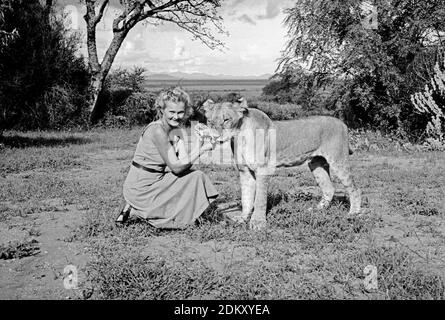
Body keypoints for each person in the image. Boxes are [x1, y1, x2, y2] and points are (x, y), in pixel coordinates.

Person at [116, 87, 218, 229]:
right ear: (162, 110)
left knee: (196, 176)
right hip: (142, 186)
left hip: (159, 179)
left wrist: (200, 142)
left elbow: (183, 165)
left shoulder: (177, 130)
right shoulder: (157, 130)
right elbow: (177, 168)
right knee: (190, 178)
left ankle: (145, 211)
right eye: (172, 112)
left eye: (180, 112)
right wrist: (201, 150)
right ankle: (137, 209)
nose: (176, 117)